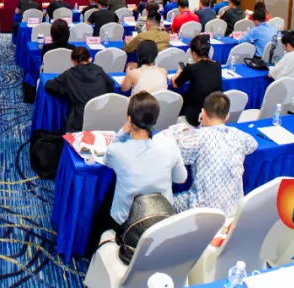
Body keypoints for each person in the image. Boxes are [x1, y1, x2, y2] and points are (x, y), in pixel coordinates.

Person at [104, 93, 187, 232]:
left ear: (129, 119)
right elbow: (180, 178)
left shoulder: (117, 151)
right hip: (162, 219)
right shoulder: (169, 144)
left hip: (127, 224)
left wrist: (122, 132)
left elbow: (107, 161)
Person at [169, 92, 258, 215]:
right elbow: (253, 144)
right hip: (233, 208)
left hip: (201, 209)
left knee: (166, 202)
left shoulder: (198, 137)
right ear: (227, 116)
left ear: (203, 113)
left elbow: (177, 154)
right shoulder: (238, 135)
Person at [44, 47, 116, 132]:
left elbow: (50, 86)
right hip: (101, 114)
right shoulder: (98, 69)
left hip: (79, 119)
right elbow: (111, 85)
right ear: (89, 59)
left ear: (73, 61)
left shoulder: (70, 74)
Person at [173, 35, 223, 126]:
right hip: (214, 111)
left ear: (194, 53)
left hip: (196, 116)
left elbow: (175, 84)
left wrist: (178, 73)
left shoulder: (191, 68)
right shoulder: (218, 66)